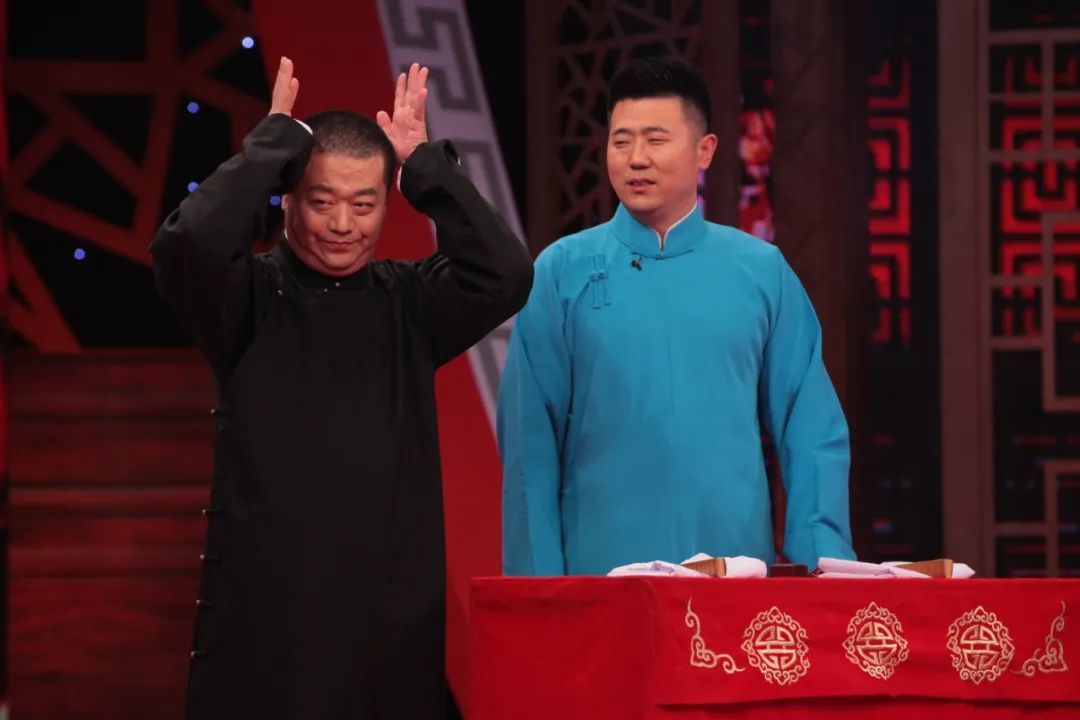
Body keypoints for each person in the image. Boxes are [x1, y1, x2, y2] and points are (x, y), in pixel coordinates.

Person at [152, 57, 532, 719]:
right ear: (289, 199)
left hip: (388, 643)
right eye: (322, 201)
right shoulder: (247, 299)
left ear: (387, 204)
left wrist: (426, 169)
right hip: (266, 638)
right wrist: (269, 148)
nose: (342, 224)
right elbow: (187, 246)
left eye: (364, 204)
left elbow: (506, 273)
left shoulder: (409, 304)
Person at [498, 56, 854, 577]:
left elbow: (810, 428)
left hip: (733, 577)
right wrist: (538, 588)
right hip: (600, 579)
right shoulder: (560, 272)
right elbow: (528, 446)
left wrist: (820, 565)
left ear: (704, 150)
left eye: (656, 140)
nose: (636, 158)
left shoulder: (761, 272)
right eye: (621, 141)